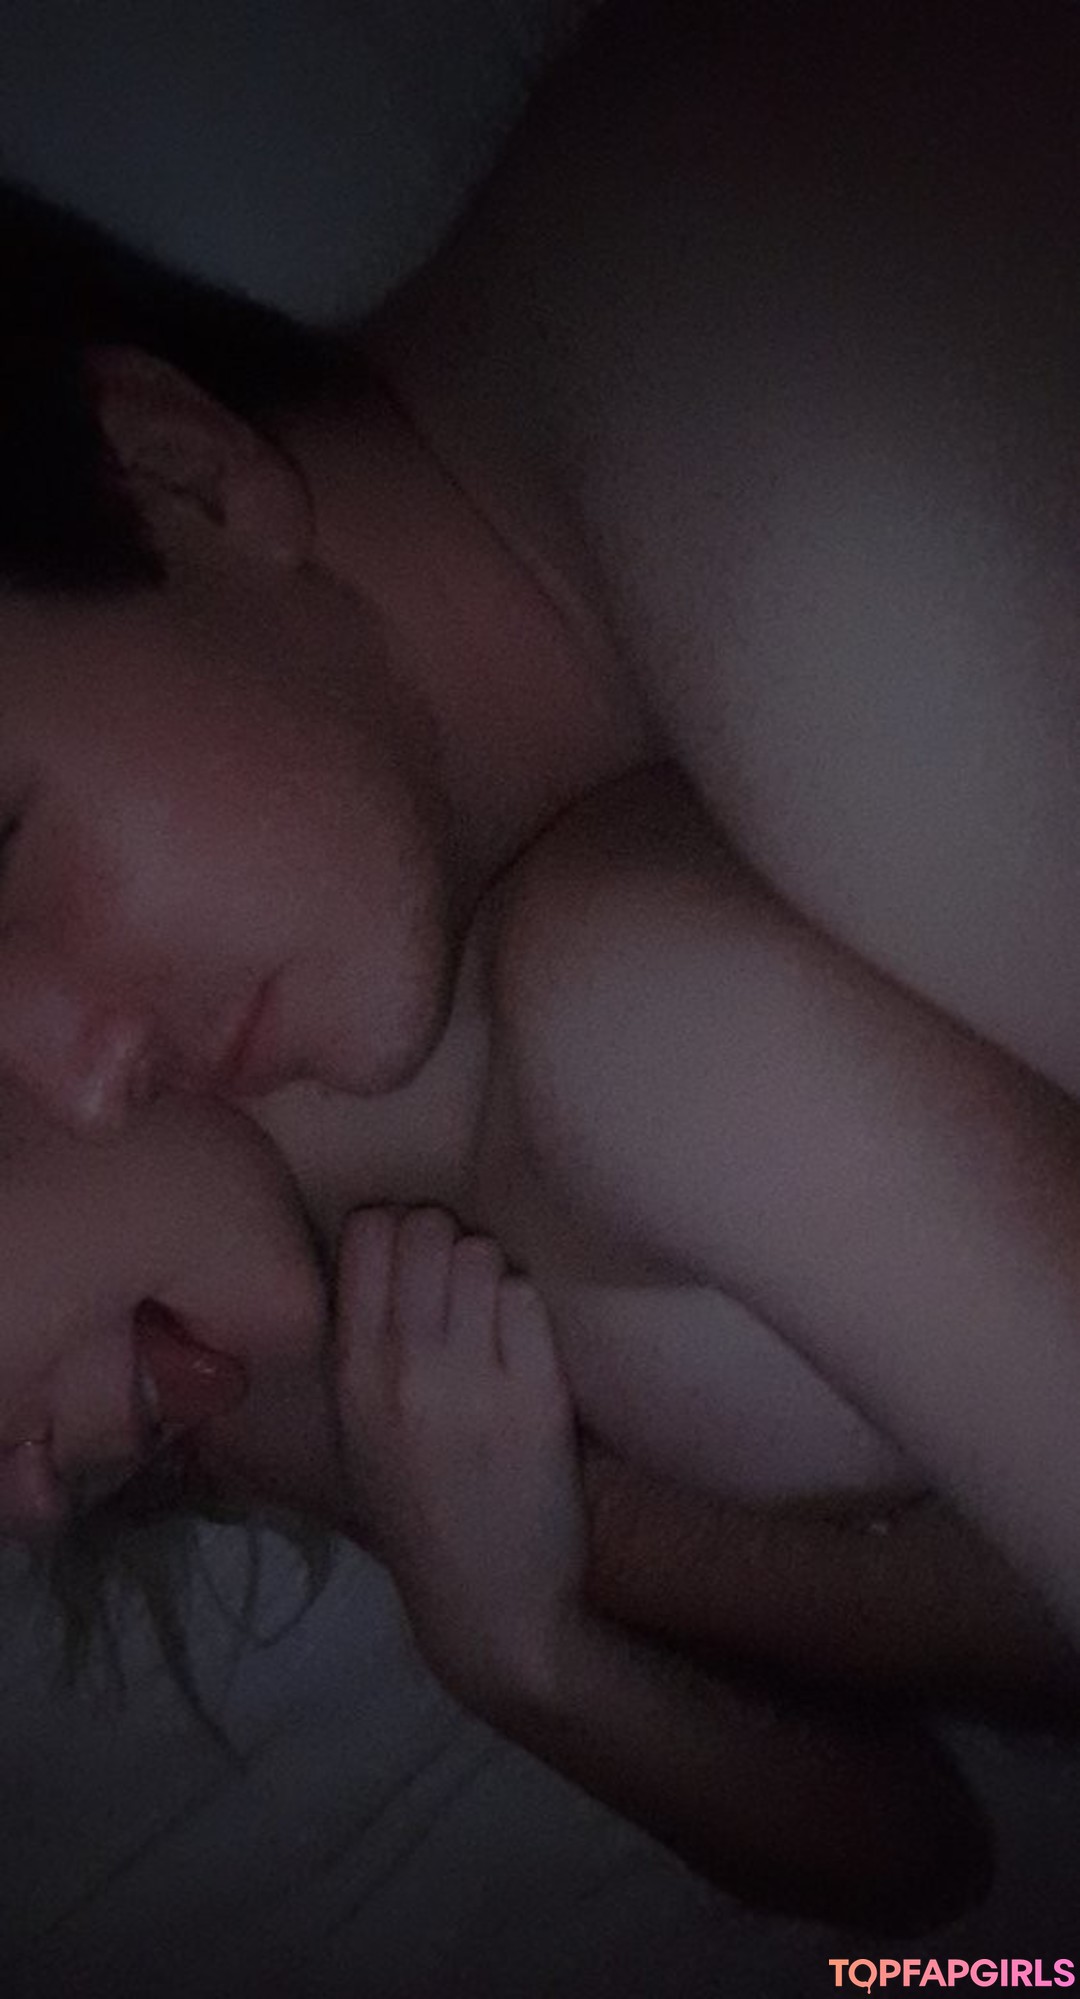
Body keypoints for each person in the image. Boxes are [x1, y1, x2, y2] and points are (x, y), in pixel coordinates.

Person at [0, 0, 1078, 1884]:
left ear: (170, 464)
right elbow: (934, 1944)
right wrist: (522, 1656)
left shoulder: (835, 517)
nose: (79, 1074)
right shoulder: (343, 1210)